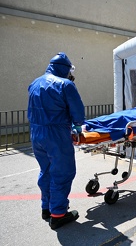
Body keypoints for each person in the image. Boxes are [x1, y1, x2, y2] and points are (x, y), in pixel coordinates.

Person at [28, 52, 85, 230]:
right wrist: (77, 125)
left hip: (36, 133)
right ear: (66, 69)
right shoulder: (65, 85)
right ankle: (58, 214)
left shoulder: (35, 83)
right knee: (62, 172)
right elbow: (77, 110)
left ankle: (47, 208)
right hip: (56, 134)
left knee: (46, 171)